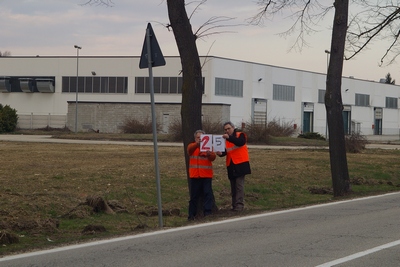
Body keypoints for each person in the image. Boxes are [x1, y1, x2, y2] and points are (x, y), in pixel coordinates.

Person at [216, 121, 251, 211]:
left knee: (239, 186)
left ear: (233, 128)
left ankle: (239, 205)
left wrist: (229, 138)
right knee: (233, 187)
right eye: (225, 129)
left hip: (241, 163)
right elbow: (225, 151)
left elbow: (240, 142)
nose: (227, 131)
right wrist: (220, 153)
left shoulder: (240, 135)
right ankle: (234, 205)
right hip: (231, 164)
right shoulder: (225, 140)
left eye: (228, 129)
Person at [187, 130, 216, 220]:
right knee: (194, 197)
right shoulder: (192, 146)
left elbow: (213, 157)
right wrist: (197, 144)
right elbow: (189, 150)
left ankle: (207, 212)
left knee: (208, 194)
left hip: (206, 175)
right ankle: (191, 215)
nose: (200, 139)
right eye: (198, 137)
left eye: (201, 138)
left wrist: (209, 154)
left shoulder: (209, 147)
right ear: (195, 138)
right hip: (195, 175)